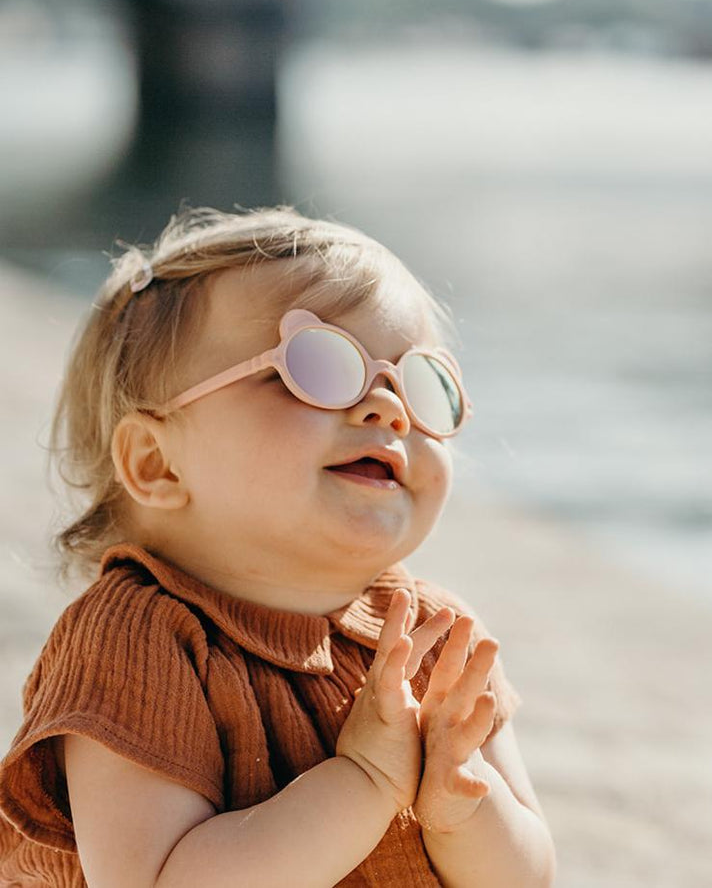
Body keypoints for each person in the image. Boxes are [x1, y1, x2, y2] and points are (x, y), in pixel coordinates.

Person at [0, 206, 556, 886]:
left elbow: (525, 876)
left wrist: (464, 800)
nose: (388, 408)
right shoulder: (142, 637)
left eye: (419, 382)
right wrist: (365, 780)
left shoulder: (435, 638)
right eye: (318, 366)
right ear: (156, 463)